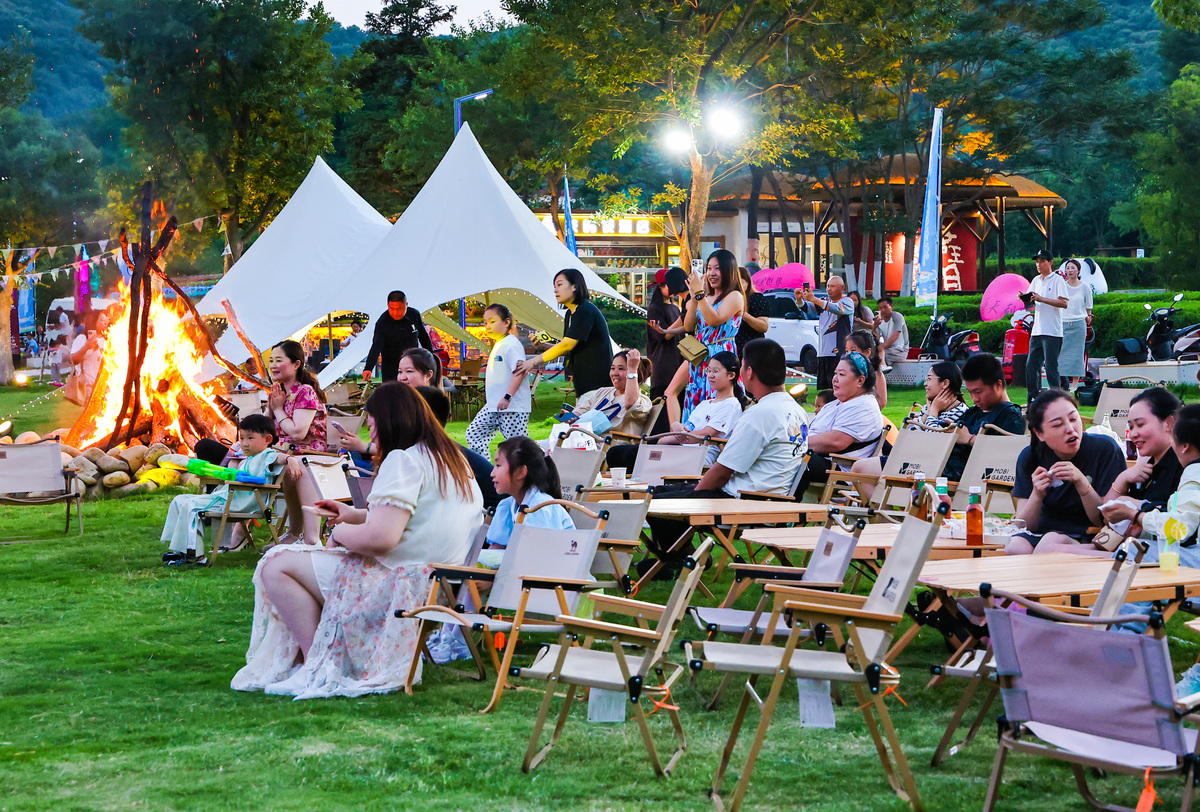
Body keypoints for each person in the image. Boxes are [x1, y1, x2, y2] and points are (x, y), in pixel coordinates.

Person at [231, 382, 484, 699]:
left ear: (391, 421)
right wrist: (353, 514)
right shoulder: (451, 461)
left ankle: (316, 664)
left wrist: (337, 533)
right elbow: (419, 519)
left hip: (395, 585)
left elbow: (382, 539)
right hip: (438, 585)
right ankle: (312, 659)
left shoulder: (404, 460)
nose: (371, 434)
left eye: (373, 424)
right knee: (293, 561)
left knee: (277, 563)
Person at [642, 339, 808, 574]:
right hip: (773, 497)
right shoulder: (797, 410)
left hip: (744, 500)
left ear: (748, 372)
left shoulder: (760, 414)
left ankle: (680, 561)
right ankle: (685, 557)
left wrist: (694, 493)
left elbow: (723, 471)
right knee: (668, 492)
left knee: (656, 499)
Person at [1004, 390, 1127, 555]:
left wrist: (1081, 483)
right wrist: (1037, 494)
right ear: (1039, 433)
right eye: (1057, 424)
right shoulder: (1030, 456)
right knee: (1015, 547)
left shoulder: (1104, 450)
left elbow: (1103, 519)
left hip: (1088, 534)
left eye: (1073, 419)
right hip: (1042, 531)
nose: (1070, 429)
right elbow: (1023, 525)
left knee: (1049, 543)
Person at [160, 414, 286, 565]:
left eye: (250, 438)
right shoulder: (249, 459)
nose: (244, 444)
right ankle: (179, 549)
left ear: (267, 440)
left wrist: (291, 460)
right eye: (242, 438)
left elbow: (280, 458)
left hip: (241, 503)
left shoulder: (267, 455)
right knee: (179, 500)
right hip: (229, 498)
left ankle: (196, 555)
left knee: (191, 506)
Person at [847, 360, 967, 501]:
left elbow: (932, 446)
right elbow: (909, 438)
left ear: (945, 383)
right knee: (861, 469)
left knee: (861, 469)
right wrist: (928, 412)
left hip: (936, 468)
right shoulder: (933, 407)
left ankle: (882, 516)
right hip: (915, 461)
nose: (925, 384)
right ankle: (884, 513)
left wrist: (933, 412)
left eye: (929, 379)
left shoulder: (959, 413)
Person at [1101, 403, 1200, 568]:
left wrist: (1135, 515)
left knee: (1131, 551)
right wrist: (1144, 531)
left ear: (1185, 447)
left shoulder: (1194, 472)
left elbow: (1180, 529)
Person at [665, 249, 744, 424]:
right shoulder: (705, 297)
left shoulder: (735, 296)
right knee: (688, 393)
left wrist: (700, 295)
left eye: (717, 268)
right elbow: (688, 326)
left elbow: (714, 320)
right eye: (709, 268)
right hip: (699, 355)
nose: (712, 273)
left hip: (720, 355)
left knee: (717, 400)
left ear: (728, 271)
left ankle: (712, 440)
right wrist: (693, 298)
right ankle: (680, 432)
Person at [477, 436, 575, 569]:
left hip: (556, 579)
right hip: (524, 577)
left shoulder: (540, 507)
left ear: (520, 472)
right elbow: (495, 549)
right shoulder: (506, 506)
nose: (492, 473)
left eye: (498, 465)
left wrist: (493, 579)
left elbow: (537, 558)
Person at [797, 350, 886, 494]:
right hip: (819, 459)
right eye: (835, 373)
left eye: (842, 374)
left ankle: (780, 506)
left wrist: (794, 444)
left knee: (785, 457)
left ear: (860, 381)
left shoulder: (864, 406)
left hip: (839, 470)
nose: (835, 379)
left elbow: (836, 441)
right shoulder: (837, 403)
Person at [515, 268, 612, 398]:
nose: (555, 290)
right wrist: (544, 346)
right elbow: (570, 347)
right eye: (554, 286)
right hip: (583, 382)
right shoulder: (570, 314)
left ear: (574, 287)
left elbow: (567, 345)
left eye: (559, 285)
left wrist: (532, 362)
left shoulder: (585, 310)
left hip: (597, 383)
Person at [944, 353, 1027, 481]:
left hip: (974, 480)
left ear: (998, 385)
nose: (974, 398)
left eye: (978, 392)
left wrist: (969, 439)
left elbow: (1010, 453)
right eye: (970, 392)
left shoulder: (1010, 416)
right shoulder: (973, 413)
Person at [1101, 387, 1184, 514]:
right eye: (1131, 427)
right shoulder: (1145, 466)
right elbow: (1106, 514)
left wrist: (1138, 505)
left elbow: (1182, 517)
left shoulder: (1183, 467)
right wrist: (1122, 479)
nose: (1133, 434)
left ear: (1168, 423)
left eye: (1140, 424)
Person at [658, 350, 748, 466]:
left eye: (716, 371)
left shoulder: (731, 404)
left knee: (637, 454)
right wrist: (676, 426)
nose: (710, 376)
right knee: (640, 454)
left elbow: (706, 434)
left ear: (731, 375)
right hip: (682, 451)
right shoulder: (704, 404)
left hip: (700, 456)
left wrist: (670, 439)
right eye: (709, 370)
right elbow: (688, 429)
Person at [464, 304, 531, 456]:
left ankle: (536, 473)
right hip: (493, 406)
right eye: (485, 322)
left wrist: (508, 396)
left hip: (512, 407)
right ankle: (485, 472)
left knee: (518, 449)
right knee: (474, 434)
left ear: (507, 322)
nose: (487, 326)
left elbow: (520, 372)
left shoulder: (512, 345)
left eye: (492, 321)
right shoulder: (499, 344)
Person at [561, 349, 652, 436]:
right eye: (612, 368)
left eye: (621, 369)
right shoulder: (602, 392)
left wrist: (632, 369)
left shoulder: (643, 401)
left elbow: (630, 404)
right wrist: (570, 417)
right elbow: (581, 411)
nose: (614, 373)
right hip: (585, 443)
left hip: (612, 447)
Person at [1023, 249, 1068, 402]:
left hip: (1052, 331)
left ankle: (1057, 398)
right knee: (1031, 366)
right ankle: (1033, 398)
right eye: (1037, 261)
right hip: (1037, 330)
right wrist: (1024, 297)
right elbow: (1031, 302)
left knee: (1051, 368)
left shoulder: (1058, 280)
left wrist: (1042, 299)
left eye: (1042, 261)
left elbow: (1064, 303)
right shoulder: (1036, 280)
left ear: (1050, 262)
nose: (1039, 264)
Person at [269, 340, 328, 454]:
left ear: (296, 364)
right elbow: (264, 430)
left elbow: (298, 434)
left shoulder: (305, 392)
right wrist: (270, 410)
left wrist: (277, 409)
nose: (273, 365)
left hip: (305, 456)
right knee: (236, 461)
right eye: (271, 361)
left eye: (278, 360)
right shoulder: (280, 392)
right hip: (281, 452)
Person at [363, 290, 434, 382]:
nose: (395, 313)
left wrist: (432, 358)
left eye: (399, 309)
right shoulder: (382, 322)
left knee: (412, 393)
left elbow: (424, 338)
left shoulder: (414, 315)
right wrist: (368, 368)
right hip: (391, 367)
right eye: (391, 309)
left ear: (406, 305)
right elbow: (376, 346)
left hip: (412, 364)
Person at [799, 274, 854, 389]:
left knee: (838, 386)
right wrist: (799, 300)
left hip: (839, 351)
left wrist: (814, 299)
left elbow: (838, 309)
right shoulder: (824, 302)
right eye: (828, 286)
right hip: (823, 351)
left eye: (832, 286)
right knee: (825, 388)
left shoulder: (847, 301)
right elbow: (809, 309)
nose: (829, 289)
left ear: (842, 288)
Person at [646, 267, 688, 400]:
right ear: (660, 287)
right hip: (663, 367)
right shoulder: (654, 309)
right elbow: (663, 336)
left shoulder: (676, 307)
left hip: (679, 364)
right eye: (666, 285)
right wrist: (683, 317)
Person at [1060, 259, 1094, 389]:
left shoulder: (1085, 287)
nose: (1070, 271)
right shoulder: (1062, 285)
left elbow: (1088, 307)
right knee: (1061, 354)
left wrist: (1088, 317)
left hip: (1079, 324)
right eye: (1067, 268)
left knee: (1077, 354)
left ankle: (1074, 385)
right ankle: (1063, 383)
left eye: (1072, 268)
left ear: (1078, 271)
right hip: (1063, 323)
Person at [69, 310, 109, 402]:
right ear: (93, 321)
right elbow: (74, 360)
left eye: (106, 319)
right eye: (102, 319)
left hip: (105, 386)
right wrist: (87, 347)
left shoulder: (107, 339)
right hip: (89, 387)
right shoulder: (82, 339)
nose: (105, 322)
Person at [845, 330, 888, 408]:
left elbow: (882, 401)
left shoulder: (876, 373)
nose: (849, 354)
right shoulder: (848, 372)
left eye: (853, 350)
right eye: (847, 351)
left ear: (867, 352)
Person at [735, 266, 770, 358]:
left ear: (748, 282)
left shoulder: (756, 298)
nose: (738, 287)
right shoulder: (727, 300)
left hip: (752, 350)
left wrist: (744, 315)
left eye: (741, 283)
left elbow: (763, 326)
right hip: (733, 350)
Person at [875, 297, 909, 367]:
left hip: (900, 350)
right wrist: (874, 327)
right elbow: (877, 336)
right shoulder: (879, 320)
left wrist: (882, 346)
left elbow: (896, 334)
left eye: (885, 307)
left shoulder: (897, 316)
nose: (883, 310)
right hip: (886, 350)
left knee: (879, 358)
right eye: (880, 308)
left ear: (891, 307)